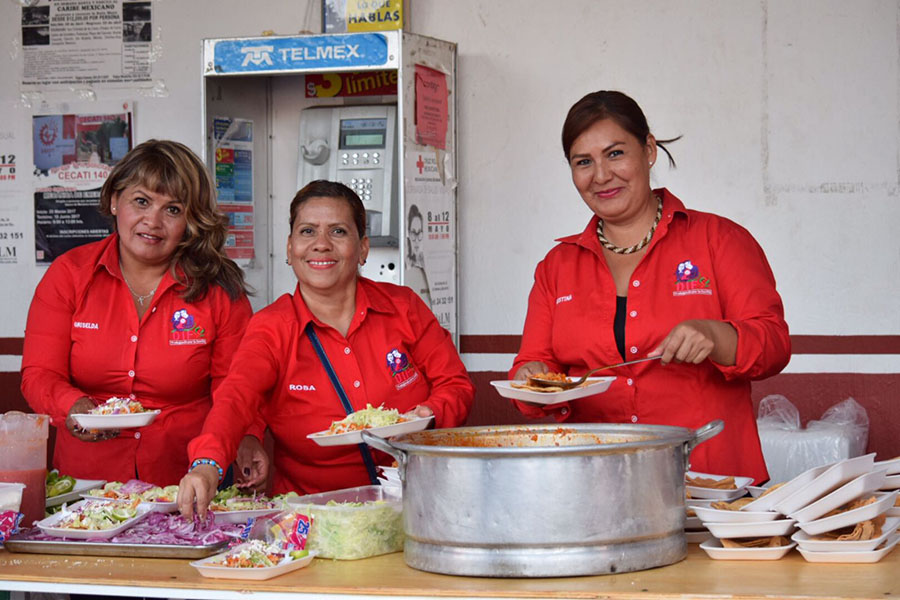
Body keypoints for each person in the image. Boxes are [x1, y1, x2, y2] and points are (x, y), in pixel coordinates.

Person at [510, 91, 790, 484]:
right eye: (583, 162)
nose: (601, 175)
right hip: (596, 485)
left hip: (712, 486)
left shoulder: (718, 240)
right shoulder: (556, 268)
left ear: (649, 150)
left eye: (615, 153)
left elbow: (774, 345)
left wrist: (716, 335)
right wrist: (531, 377)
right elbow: (533, 366)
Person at [177, 180, 474, 518]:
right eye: (307, 232)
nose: (321, 244)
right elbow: (236, 397)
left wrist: (429, 413)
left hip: (416, 503)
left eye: (338, 232)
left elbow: (456, 385)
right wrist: (206, 464)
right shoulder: (271, 327)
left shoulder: (403, 307)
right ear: (290, 249)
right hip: (315, 517)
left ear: (362, 248)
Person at [21, 139, 262, 487]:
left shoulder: (219, 288)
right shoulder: (69, 274)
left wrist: (246, 437)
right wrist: (72, 407)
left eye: (173, 209)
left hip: (188, 480)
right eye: (142, 201)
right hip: (87, 485)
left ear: (191, 220)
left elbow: (237, 388)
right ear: (115, 200)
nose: (153, 222)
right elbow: (39, 372)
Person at [404, 203, 431, 307]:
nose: (416, 239)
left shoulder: (424, 267)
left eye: (419, 233)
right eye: (413, 233)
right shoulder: (406, 269)